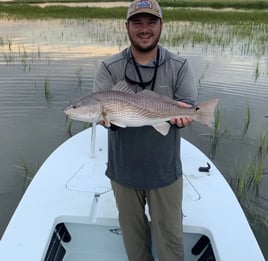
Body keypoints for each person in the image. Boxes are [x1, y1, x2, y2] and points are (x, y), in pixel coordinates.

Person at [93, 0, 198, 260]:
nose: (144, 29)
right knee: (134, 243)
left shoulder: (179, 66)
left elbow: (189, 106)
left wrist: (188, 115)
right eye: (137, 22)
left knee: (170, 243)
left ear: (161, 25)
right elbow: (102, 109)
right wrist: (106, 118)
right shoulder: (108, 67)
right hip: (123, 173)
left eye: (151, 22)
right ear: (127, 26)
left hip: (165, 173)